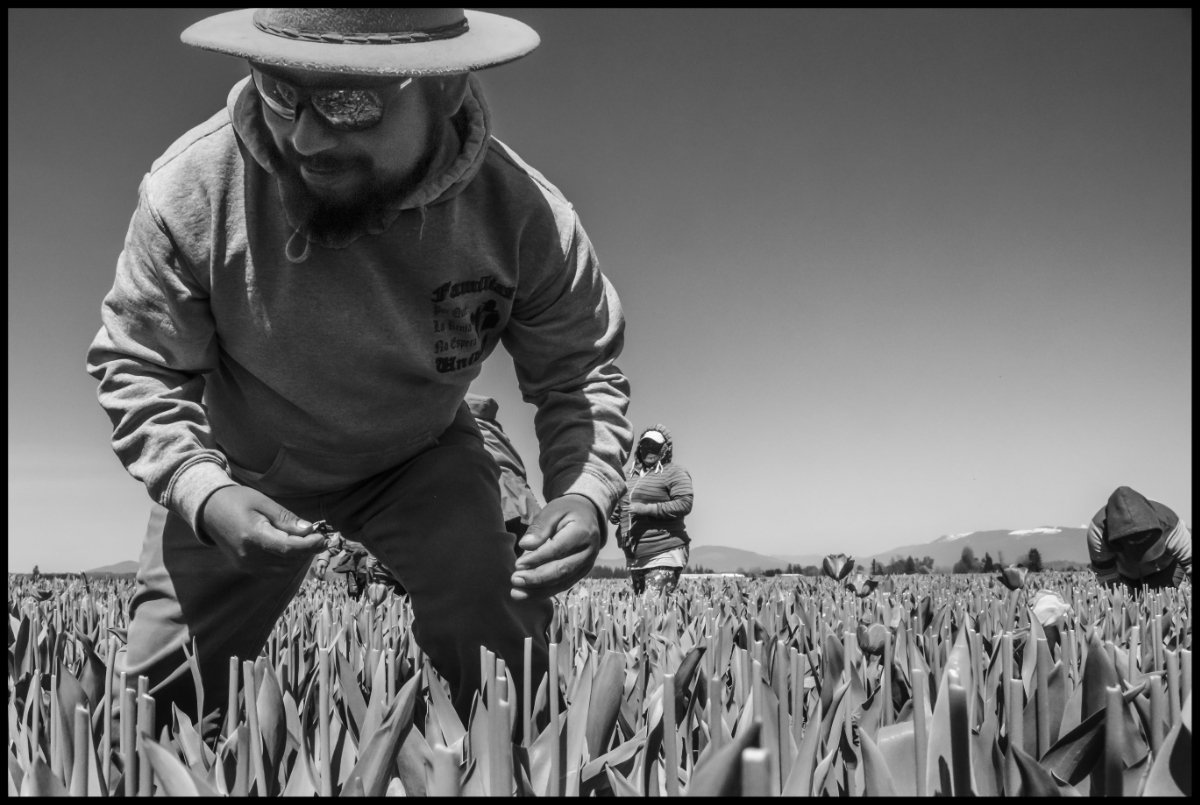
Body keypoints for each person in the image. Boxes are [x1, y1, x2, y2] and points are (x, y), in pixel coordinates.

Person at [85, 8, 631, 732]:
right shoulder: (192, 190)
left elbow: (579, 371)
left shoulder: (525, 217)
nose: (307, 137)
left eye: (349, 103)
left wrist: (585, 493)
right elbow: (140, 364)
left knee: (501, 648)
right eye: (281, 93)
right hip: (241, 464)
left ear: (444, 87)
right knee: (153, 710)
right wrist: (204, 492)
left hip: (418, 456)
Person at [610, 425, 694, 597]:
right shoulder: (629, 475)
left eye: (655, 446)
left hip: (664, 550)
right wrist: (615, 511)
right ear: (639, 447)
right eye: (646, 445)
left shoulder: (674, 472)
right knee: (642, 611)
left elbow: (684, 504)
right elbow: (621, 502)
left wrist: (645, 509)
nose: (649, 449)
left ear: (665, 449)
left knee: (652, 608)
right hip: (636, 554)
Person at [1087, 486, 1192, 591]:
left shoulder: (1171, 524)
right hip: (1125, 572)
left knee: (1164, 597)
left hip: (1165, 567)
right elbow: (1107, 577)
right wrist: (1122, 602)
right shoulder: (1098, 533)